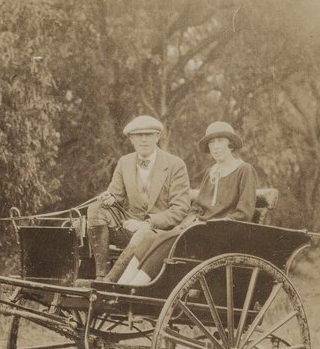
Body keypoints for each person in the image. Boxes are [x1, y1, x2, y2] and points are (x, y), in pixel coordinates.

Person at [106, 120, 257, 285]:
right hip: (198, 230)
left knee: (169, 241)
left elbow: (244, 214)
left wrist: (209, 225)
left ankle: (135, 287)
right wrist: (184, 225)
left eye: (221, 141)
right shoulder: (211, 173)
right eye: (212, 142)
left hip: (221, 235)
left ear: (231, 145)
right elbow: (197, 208)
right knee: (152, 237)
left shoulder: (244, 170)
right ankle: (121, 286)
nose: (216, 147)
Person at [82, 115, 191, 281]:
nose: (144, 140)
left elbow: (180, 209)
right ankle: (100, 274)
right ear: (131, 139)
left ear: (157, 137)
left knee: (143, 232)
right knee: (95, 209)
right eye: (139, 136)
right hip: (129, 226)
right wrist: (109, 198)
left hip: (160, 232)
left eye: (149, 135)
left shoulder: (175, 165)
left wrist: (147, 223)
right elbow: (115, 196)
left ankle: (110, 282)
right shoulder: (125, 162)